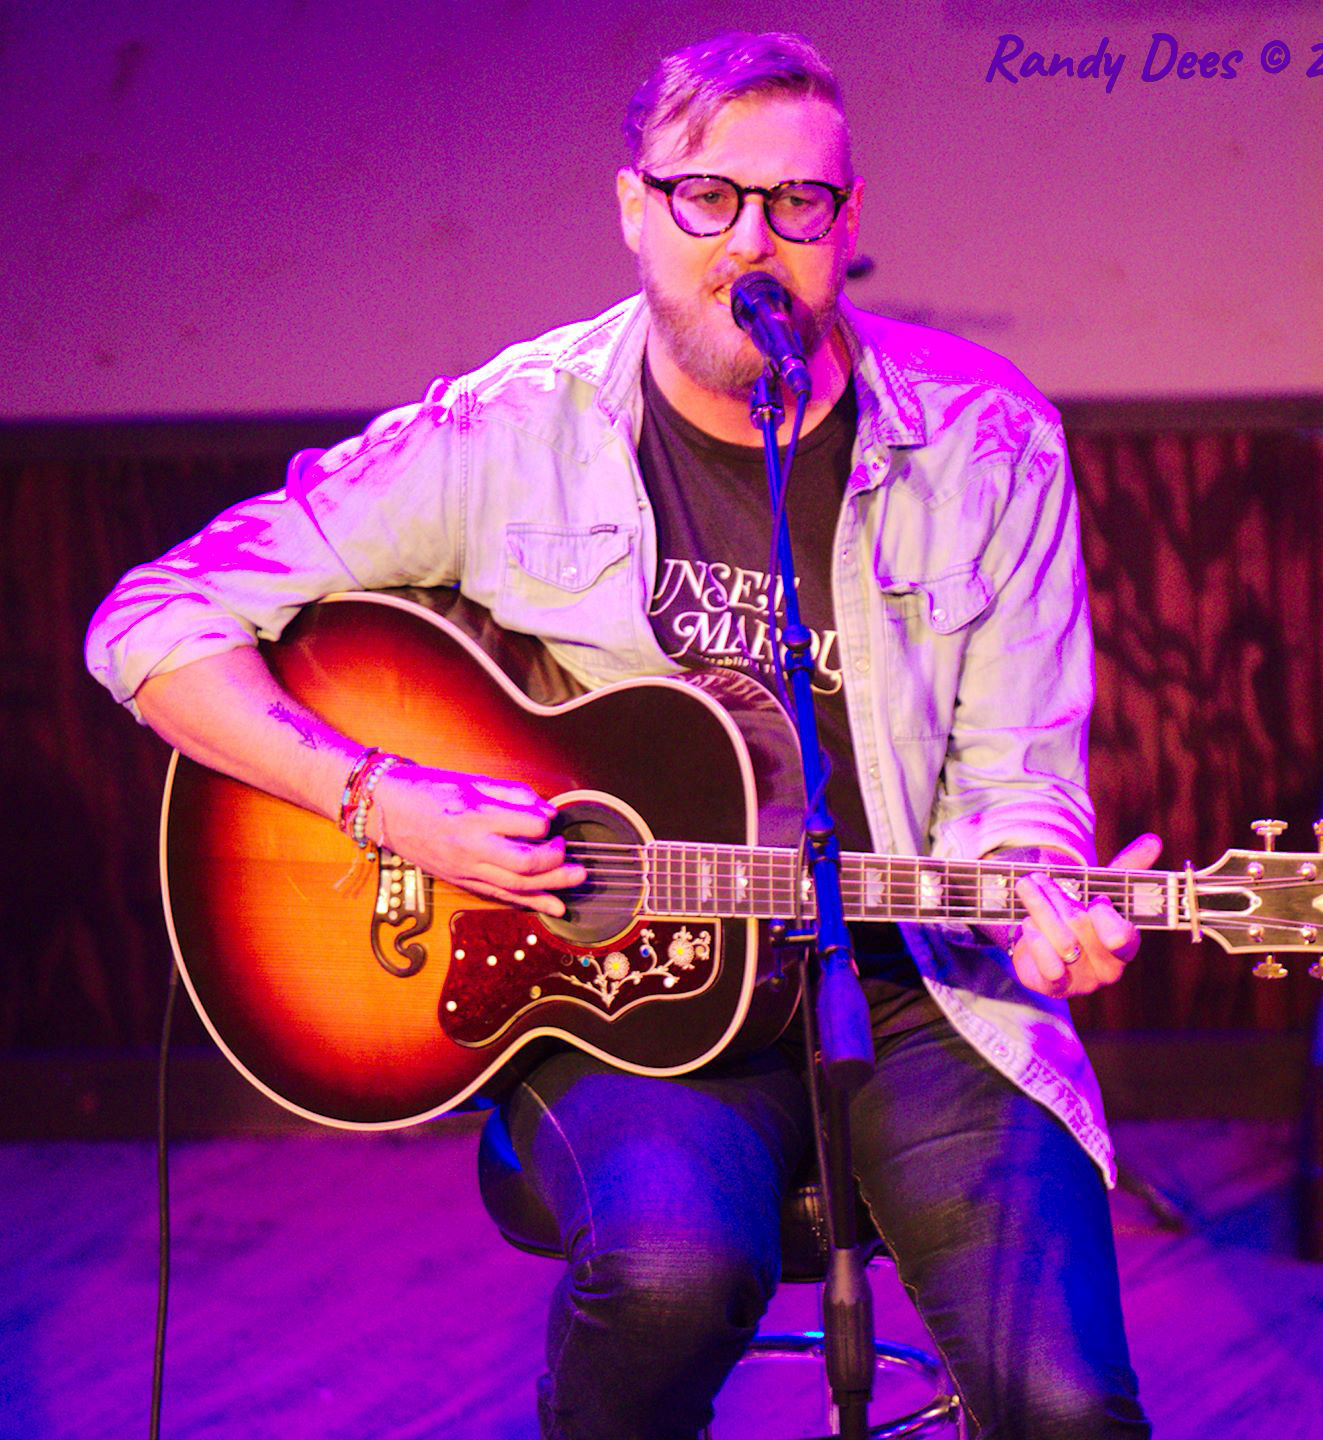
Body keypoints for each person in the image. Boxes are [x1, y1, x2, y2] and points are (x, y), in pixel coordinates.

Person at [87, 30, 1156, 1440]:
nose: (753, 242)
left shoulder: (989, 443)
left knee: (1070, 1407)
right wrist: (377, 796)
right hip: (622, 1022)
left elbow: (1022, 781)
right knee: (666, 1272)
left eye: (798, 203)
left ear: (848, 223)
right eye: (707, 198)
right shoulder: (508, 431)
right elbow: (150, 620)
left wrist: (1038, 893)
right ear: (635, 210)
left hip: (922, 999)